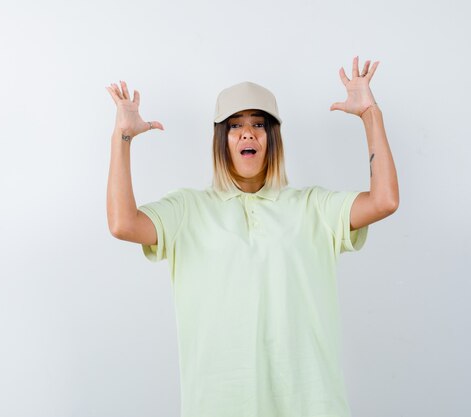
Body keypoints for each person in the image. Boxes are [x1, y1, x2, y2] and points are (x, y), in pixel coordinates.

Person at [106, 56, 399, 417]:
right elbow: (122, 224)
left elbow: (384, 200)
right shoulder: (187, 210)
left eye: (259, 124)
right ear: (221, 139)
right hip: (218, 404)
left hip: (310, 405)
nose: (248, 133)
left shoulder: (313, 207)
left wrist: (371, 115)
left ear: (272, 138)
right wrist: (122, 138)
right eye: (235, 126)